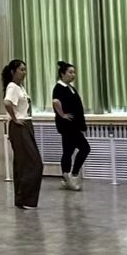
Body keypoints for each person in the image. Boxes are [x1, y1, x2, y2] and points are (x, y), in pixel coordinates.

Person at [2, 58, 43, 209]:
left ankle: (21, 199)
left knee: (22, 163)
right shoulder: (12, 87)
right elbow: (7, 102)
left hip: (26, 124)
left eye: (25, 70)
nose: (24, 72)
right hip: (19, 126)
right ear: (13, 72)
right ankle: (26, 199)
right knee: (32, 163)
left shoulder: (21, 88)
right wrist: (14, 119)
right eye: (21, 70)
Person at [51, 61, 90, 191]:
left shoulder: (70, 87)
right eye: (70, 72)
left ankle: (65, 177)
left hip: (73, 125)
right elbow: (55, 101)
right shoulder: (59, 87)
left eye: (74, 72)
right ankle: (73, 175)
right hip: (68, 126)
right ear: (62, 74)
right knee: (85, 148)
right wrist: (62, 115)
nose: (73, 75)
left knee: (68, 151)